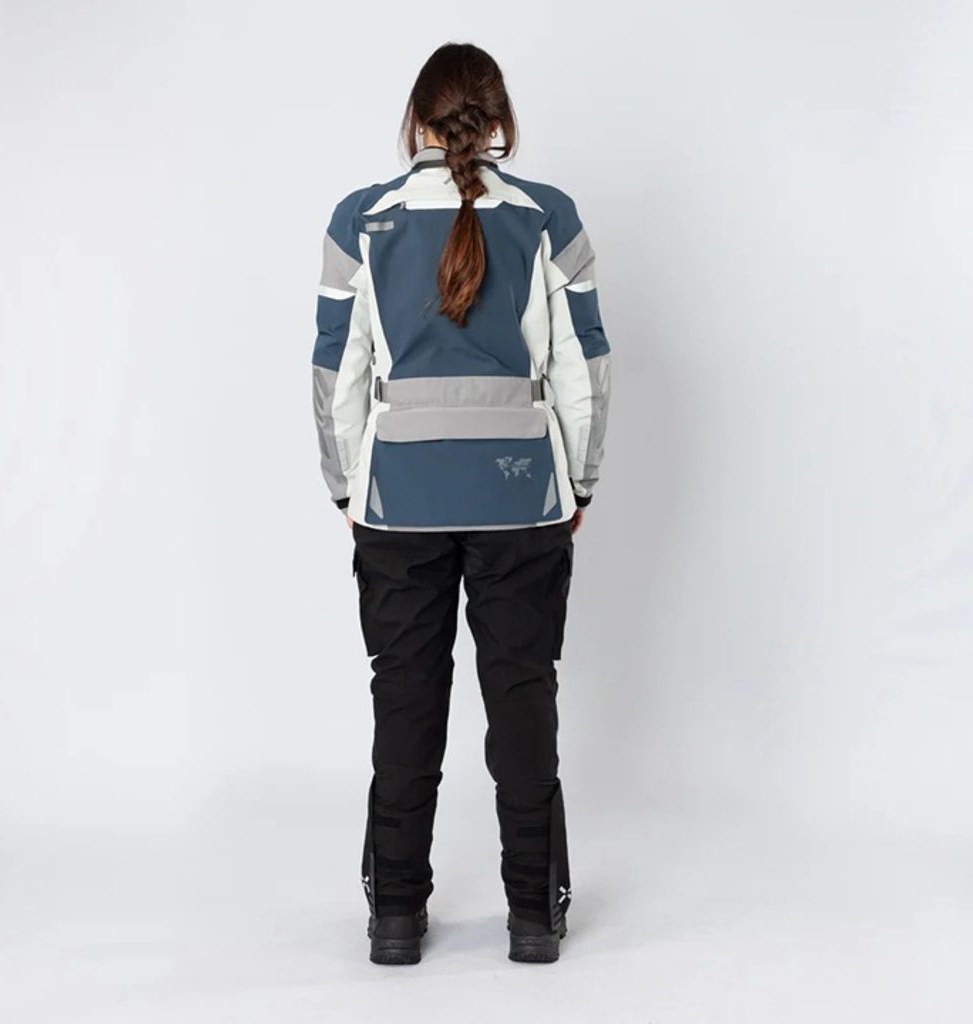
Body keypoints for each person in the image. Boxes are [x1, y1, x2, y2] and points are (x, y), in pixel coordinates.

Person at [310, 41, 612, 965]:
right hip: (523, 497)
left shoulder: (361, 220)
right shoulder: (548, 216)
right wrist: (578, 480)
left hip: (397, 500)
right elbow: (585, 367)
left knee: (405, 699)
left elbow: (335, 371)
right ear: (499, 123)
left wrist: (347, 485)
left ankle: (396, 918)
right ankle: (533, 918)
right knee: (522, 698)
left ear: (418, 121)